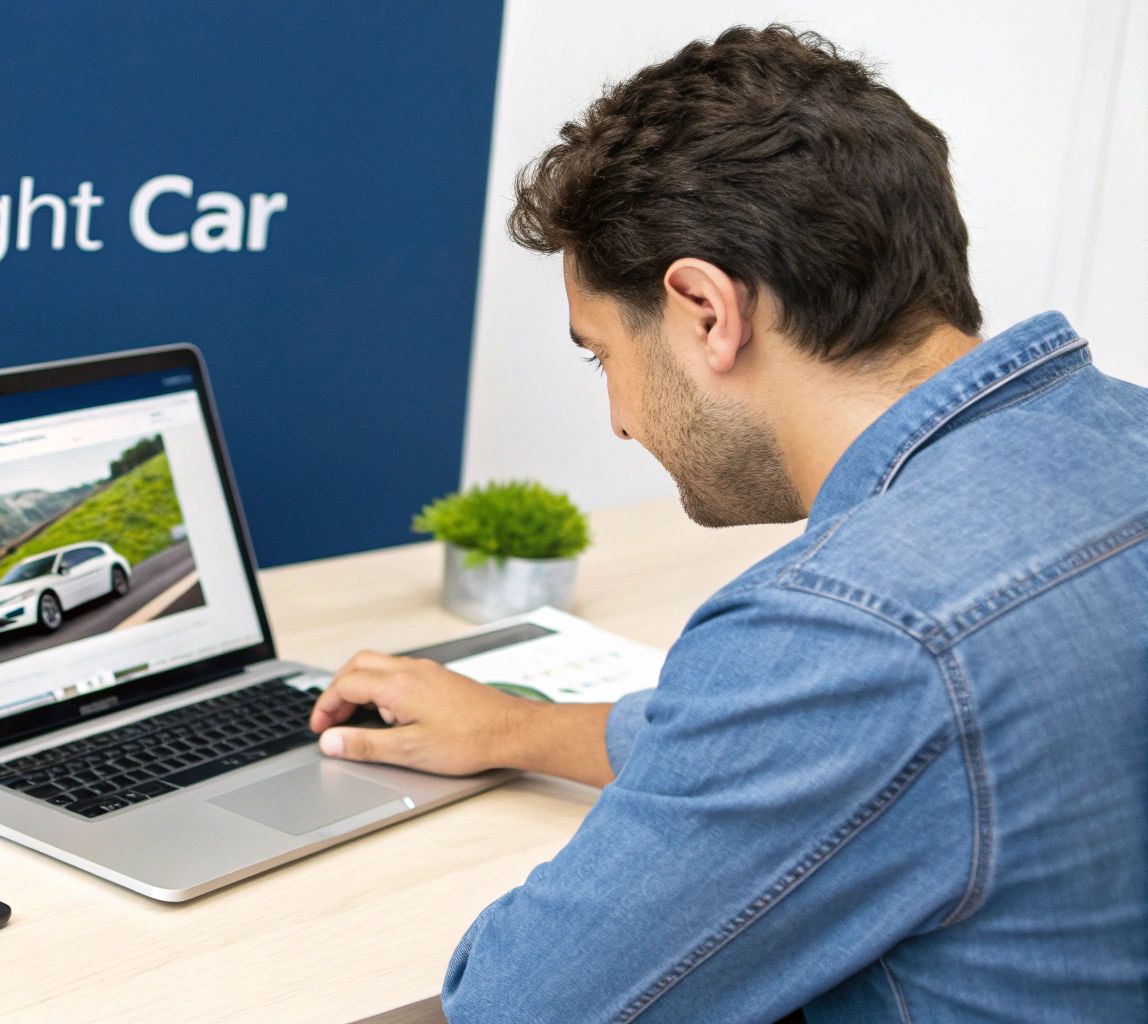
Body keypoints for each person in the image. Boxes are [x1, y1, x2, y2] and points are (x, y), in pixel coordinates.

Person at [307, 24, 1148, 1022]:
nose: (617, 418)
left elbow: (517, 1004)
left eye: (600, 354)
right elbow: (862, 756)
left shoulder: (856, 627)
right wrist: (520, 728)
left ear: (705, 309)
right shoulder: (1121, 439)